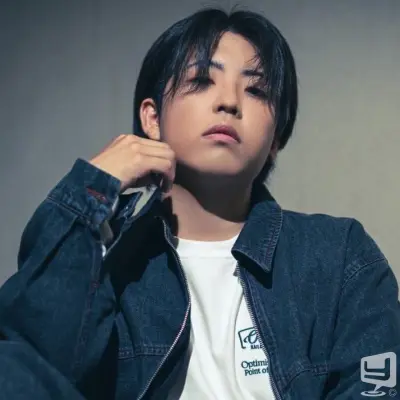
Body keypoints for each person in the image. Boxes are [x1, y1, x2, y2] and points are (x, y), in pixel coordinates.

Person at [0, 7, 399, 400]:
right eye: (202, 80)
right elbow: (34, 364)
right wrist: (90, 187)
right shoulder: (108, 262)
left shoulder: (338, 256)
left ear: (275, 139)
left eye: (256, 90)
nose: (229, 102)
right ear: (152, 119)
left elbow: (380, 385)